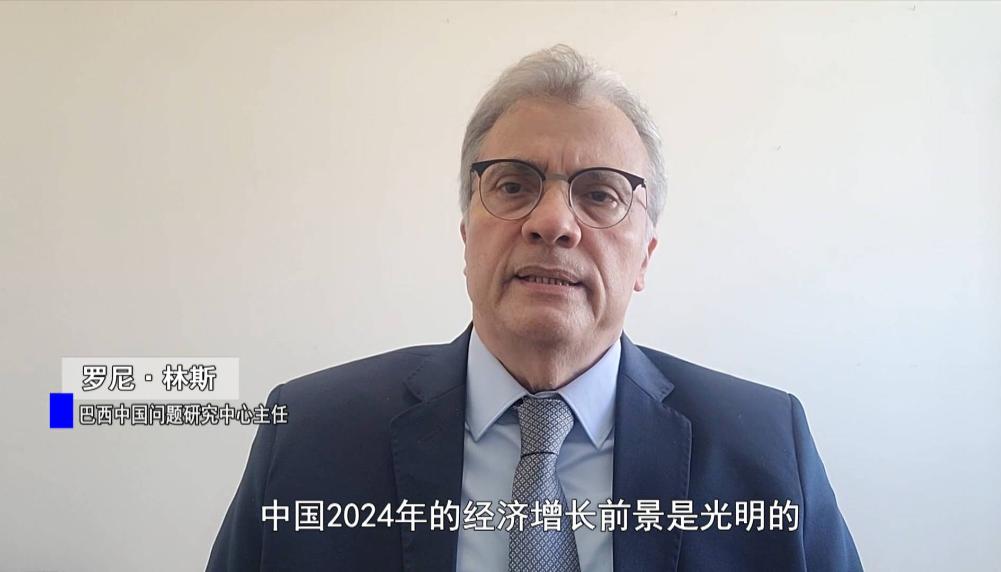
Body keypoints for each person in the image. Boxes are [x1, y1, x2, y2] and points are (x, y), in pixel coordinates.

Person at [207, 45, 862, 572]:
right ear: (466, 236)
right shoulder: (308, 436)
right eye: (514, 185)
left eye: (600, 194)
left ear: (644, 257)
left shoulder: (765, 447)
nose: (553, 222)